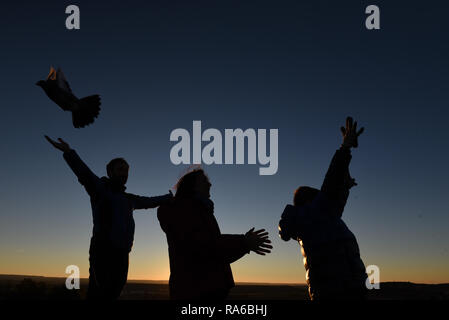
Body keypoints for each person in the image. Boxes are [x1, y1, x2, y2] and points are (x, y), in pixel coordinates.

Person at [45, 135, 173, 300]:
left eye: (126, 171)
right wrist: (69, 152)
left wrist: (167, 198)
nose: (124, 174)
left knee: (113, 294)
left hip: (123, 254)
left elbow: (148, 201)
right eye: (120, 169)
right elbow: (84, 173)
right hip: (103, 252)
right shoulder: (100, 190)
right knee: (100, 294)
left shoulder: (128, 199)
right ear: (110, 171)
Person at [278, 117, 368, 300]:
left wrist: (344, 186)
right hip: (341, 293)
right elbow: (331, 181)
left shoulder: (317, 219)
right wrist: (345, 148)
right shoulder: (315, 214)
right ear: (311, 201)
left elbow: (335, 203)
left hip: (337, 291)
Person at [157, 169, 272, 300]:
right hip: (197, 291)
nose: (210, 185)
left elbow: (212, 246)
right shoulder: (185, 210)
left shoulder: (199, 209)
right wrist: (244, 242)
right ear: (192, 185)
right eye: (204, 181)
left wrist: (245, 243)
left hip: (203, 289)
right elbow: (206, 247)